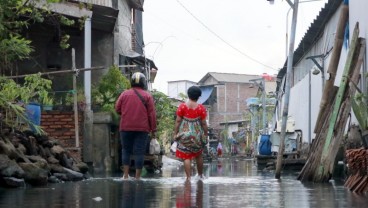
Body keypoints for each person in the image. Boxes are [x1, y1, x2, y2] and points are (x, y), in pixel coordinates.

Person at [115, 72, 157, 180]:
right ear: (143, 82)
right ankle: (137, 177)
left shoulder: (124, 94)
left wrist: (125, 114)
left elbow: (117, 109)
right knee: (139, 151)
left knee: (126, 150)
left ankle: (125, 176)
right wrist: (153, 129)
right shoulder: (147, 95)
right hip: (142, 129)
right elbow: (151, 114)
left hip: (125, 127)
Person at [174, 86, 208, 181]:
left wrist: (175, 133)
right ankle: (200, 175)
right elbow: (204, 123)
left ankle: (188, 177)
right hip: (197, 135)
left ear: (188, 95)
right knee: (198, 155)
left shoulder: (182, 107)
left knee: (186, 156)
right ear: (198, 97)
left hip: (184, 135)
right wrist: (205, 134)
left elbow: (177, 121)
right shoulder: (201, 108)